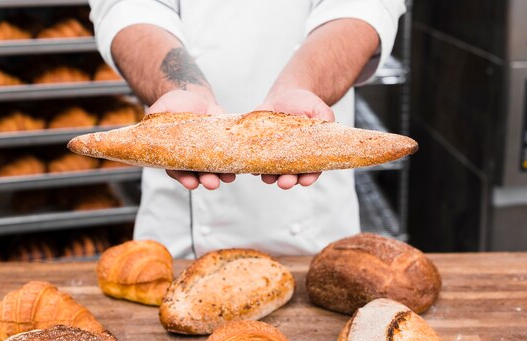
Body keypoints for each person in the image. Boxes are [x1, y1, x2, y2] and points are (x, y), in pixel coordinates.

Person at [89, 0, 406, 258]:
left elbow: (362, 6)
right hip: (179, 245)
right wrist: (181, 89)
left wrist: (301, 86)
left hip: (314, 237)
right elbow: (129, 7)